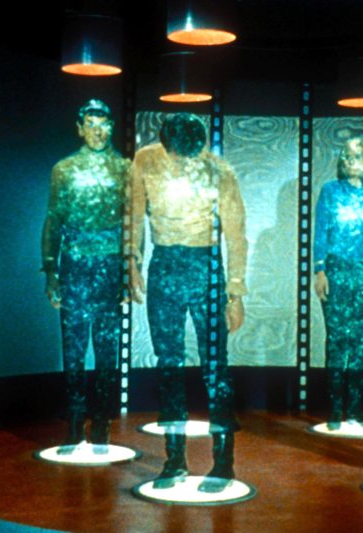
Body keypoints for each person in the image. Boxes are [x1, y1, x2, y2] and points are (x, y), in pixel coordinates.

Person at [127, 113, 248, 493]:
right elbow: (134, 214)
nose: (182, 162)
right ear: (166, 145)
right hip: (165, 262)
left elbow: (236, 232)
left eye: (188, 155)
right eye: (176, 155)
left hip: (205, 264)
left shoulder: (219, 169)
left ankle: (223, 462)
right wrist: (131, 260)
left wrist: (235, 292)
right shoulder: (146, 160)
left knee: (216, 366)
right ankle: (174, 458)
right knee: (168, 364)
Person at [41, 99, 130, 450]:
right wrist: (51, 270)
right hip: (75, 266)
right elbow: (53, 220)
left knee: (108, 346)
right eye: (91, 124)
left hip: (110, 266)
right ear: (80, 128)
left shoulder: (124, 168)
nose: (98, 131)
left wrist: (129, 271)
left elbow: (131, 224)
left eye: (103, 123)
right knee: (74, 345)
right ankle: (76, 416)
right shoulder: (64, 169)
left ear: (111, 126)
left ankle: (103, 419)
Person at [313, 138, 363, 430]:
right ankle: (335, 409)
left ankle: (355, 409)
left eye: (358, 157)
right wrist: (320, 270)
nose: (354, 162)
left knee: (362, 340)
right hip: (336, 270)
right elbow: (320, 232)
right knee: (337, 339)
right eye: (348, 157)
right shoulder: (330, 190)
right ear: (342, 162)